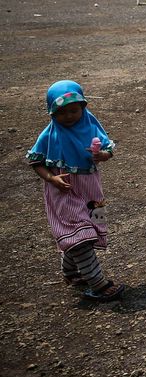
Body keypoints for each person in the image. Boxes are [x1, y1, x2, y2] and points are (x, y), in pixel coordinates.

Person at [26, 80, 124, 302]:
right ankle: (98, 285)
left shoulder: (91, 126)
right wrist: (51, 178)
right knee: (80, 234)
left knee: (91, 226)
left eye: (74, 110)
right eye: (61, 112)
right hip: (64, 190)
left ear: (83, 107)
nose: (69, 116)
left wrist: (103, 155)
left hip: (92, 190)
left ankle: (71, 272)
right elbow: (35, 161)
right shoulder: (49, 135)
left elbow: (109, 149)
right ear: (52, 112)